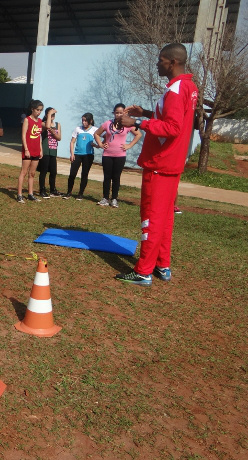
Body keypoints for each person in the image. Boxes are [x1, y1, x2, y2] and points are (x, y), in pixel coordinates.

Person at [115, 43, 198, 286]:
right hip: (171, 163)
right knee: (165, 218)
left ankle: (143, 272)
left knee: (151, 217)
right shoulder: (187, 86)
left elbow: (173, 128)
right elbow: (173, 118)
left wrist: (137, 123)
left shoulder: (176, 89)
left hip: (161, 163)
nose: (156, 64)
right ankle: (162, 266)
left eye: (160, 60)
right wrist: (147, 113)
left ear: (172, 62)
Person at [93, 103, 142, 208]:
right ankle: (105, 198)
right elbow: (96, 134)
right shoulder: (107, 123)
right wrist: (101, 144)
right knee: (107, 177)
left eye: (121, 113)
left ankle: (114, 199)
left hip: (120, 155)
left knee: (116, 177)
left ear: (124, 113)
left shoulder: (128, 125)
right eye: (117, 113)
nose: (119, 115)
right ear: (114, 113)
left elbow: (139, 134)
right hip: (107, 155)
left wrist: (129, 145)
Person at [63, 113, 99, 200]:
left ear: (90, 121)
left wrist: (97, 145)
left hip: (88, 155)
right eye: (83, 120)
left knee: (84, 174)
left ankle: (80, 194)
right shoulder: (77, 129)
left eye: (86, 120)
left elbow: (104, 136)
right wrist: (72, 154)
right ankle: (69, 192)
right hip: (77, 155)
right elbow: (72, 142)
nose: (84, 122)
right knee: (72, 174)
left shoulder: (95, 129)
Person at [17, 99, 44, 203]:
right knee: (23, 172)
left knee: (32, 173)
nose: (39, 112)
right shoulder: (27, 120)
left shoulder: (40, 121)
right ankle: (19, 194)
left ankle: (30, 194)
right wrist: (26, 149)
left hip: (36, 150)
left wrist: (41, 149)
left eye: (40, 110)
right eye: (37, 110)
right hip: (28, 150)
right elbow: (23, 135)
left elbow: (39, 136)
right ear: (32, 109)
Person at [39, 107, 62, 198]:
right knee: (43, 171)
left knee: (53, 171)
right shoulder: (43, 123)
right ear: (46, 115)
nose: (52, 116)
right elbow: (47, 126)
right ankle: (42, 189)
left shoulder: (57, 124)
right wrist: (48, 114)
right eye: (50, 114)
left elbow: (59, 138)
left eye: (53, 114)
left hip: (53, 150)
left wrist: (53, 133)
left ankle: (53, 190)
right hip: (45, 150)